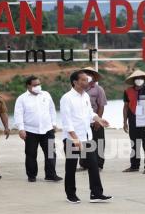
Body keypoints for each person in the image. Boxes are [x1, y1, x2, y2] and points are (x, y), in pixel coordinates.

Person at [60, 70, 112, 204]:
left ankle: (96, 194)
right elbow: (66, 121)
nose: (86, 82)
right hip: (73, 139)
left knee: (94, 165)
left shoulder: (85, 96)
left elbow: (90, 113)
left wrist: (98, 119)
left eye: (86, 79)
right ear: (75, 82)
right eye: (83, 80)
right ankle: (70, 194)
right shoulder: (67, 98)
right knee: (71, 167)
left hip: (87, 137)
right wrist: (74, 138)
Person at [14, 75, 62, 182]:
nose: (38, 86)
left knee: (50, 152)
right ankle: (31, 175)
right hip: (30, 131)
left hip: (47, 129)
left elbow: (52, 110)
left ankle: (50, 174)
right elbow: (18, 115)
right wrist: (21, 129)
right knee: (31, 154)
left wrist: (54, 123)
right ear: (28, 86)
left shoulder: (46, 95)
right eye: (35, 85)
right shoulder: (22, 99)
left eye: (39, 84)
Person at [122, 69, 145, 174]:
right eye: (137, 78)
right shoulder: (128, 91)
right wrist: (124, 122)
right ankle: (134, 166)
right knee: (134, 146)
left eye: (141, 78)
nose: (139, 80)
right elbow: (126, 107)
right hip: (133, 123)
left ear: (144, 79)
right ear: (133, 80)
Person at [79, 67, 108, 170]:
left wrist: (98, 120)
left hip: (95, 120)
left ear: (94, 77)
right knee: (83, 143)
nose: (87, 76)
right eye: (86, 73)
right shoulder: (79, 89)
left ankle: (99, 165)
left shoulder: (98, 89)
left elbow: (101, 106)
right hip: (82, 122)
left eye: (90, 74)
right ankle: (84, 164)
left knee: (98, 143)